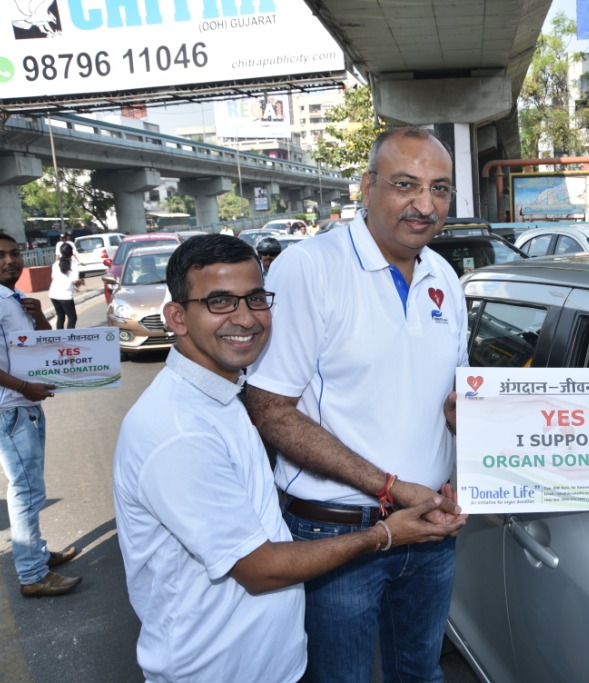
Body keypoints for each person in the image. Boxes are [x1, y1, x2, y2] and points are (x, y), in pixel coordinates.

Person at [113, 235, 465, 683]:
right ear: (177, 317)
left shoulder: (220, 397)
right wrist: (385, 534)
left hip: (268, 665)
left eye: (256, 298)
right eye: (220, 301)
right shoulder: (179, 430)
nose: (245, 317)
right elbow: (260, 569)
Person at [243, 126, 468, 683]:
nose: (425, 205)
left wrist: (468, 419)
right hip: (336, 535)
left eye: (440, 189)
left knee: (421, 675)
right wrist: (391, 488)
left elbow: (449, 397)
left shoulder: (445, 276)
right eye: (406, 185)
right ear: (367, 188)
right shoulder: (309, 267)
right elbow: (269, 408)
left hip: (430, 528)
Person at [0, 231, 81, 597]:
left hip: (25, 407)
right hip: (6, 410)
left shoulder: (15, 298)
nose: (10, 260)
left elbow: (42, 347)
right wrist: (23, 387)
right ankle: (33, 575)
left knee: (33, 488)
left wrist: (39, 319)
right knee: (24, 490)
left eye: (14, 253)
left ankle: (36, 553)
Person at [48, 243, 84, 329]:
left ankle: (60, 336)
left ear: (61, 252)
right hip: (65, 295)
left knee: (61, 316)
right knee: (72, 318)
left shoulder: (55, 264)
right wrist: (82, 282)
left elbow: (53, 277)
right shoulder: (73, 264)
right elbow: (75, 281)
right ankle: (69, 336)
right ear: (71, 253)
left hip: (53, 293)